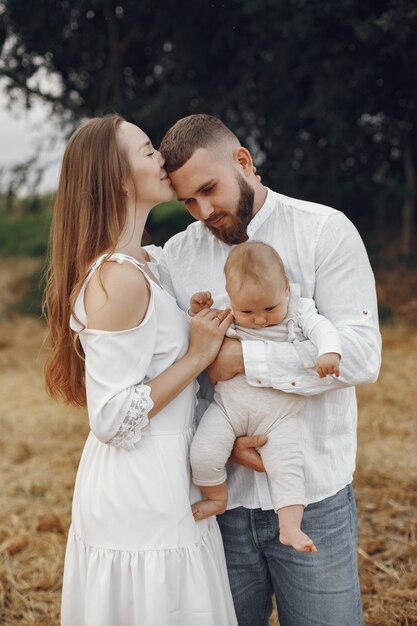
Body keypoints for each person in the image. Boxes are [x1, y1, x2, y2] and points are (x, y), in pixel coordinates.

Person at [157, 114, 382, 626]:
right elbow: (181, 374)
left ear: (244, 161)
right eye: (188, 201)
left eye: (209, 190)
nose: (203, 211)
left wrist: (244, 360)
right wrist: (220, 438)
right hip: (218, 503)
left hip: (314, 495)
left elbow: (361, 354)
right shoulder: (178, 255)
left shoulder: (324, 230)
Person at [43, 114, 238, 626]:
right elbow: (109, 417)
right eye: (148, 149)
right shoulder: (117, 278)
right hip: (141, 490)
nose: (161, 159)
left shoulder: (148, 262)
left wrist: (186, 328)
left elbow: (150, 356)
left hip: (170, 473)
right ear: (116, 178)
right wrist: (196, 355)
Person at [189, 240, 343, 554]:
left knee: (287, 470)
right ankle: (218, 499)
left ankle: (290, 528)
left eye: (270, 309)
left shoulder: (299, 309)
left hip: (280, 417)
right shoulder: (229, 311)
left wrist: (329, 352)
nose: (260, 319)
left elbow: (322, 328)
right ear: (231, 299)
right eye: (248, 312)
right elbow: (201, 333)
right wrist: (198, 311)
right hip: (228, 409)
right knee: (203, 456)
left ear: (285, 289)